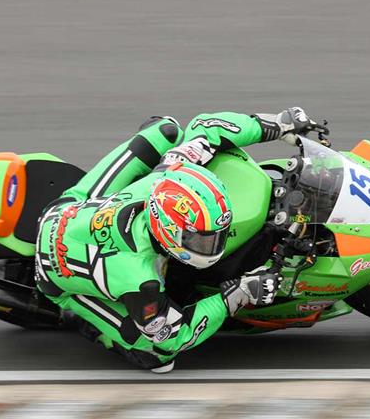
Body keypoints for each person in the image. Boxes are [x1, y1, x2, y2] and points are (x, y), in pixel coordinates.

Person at [35, 108, 322, 372]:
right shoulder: (140, 279)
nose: (213, 245)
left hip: (75, 204)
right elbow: (174, 336)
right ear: (168, 232)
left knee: (167, 130)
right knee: (158, 355)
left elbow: (207, 127)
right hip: (53, 269)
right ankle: (82, 321)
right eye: (201, 240)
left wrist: (276, 124)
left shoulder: (175, 167)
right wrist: (237, 294)